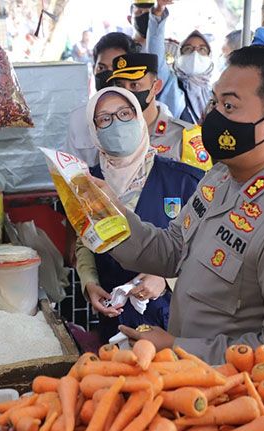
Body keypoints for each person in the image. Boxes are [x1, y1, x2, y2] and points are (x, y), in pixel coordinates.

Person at [103, 46, 264, 380]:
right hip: (190, 382)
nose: (213, 116)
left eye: (229, 106)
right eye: (214, 102)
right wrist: (105, 214)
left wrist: (177, 348)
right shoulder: (221, 176)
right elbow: (171, 250)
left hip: (240, 402)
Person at [75, 87, 203, 343]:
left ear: (139, 118)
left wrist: (167, 279)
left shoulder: (184, 180)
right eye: (105, 119)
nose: (116, 124)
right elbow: (85, 240)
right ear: (94, 130)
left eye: (124, 113)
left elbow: (208, 250)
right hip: (114, 315)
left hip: (174, 320)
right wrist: (89, 282)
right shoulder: (87, 182)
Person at [108, 52, 213, 172]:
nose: (126, 94)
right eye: (120, 87)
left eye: (134, 85)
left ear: (156, 87)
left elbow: (201, 186)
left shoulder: (186, 137)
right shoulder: (110, 135)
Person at [65, 32, 141, 167]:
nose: (108, 75)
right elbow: (72, 172)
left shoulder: (145, 113)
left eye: (116, 68)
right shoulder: (78, 118)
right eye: (102, 68)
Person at [146, 0, 213, 124]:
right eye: (188, 49)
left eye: (202, 49)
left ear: (210, 58)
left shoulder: (215, 93)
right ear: (178, 56)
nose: (195, 54)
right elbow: (155, 54)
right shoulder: (169, 83)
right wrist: (158, 12)